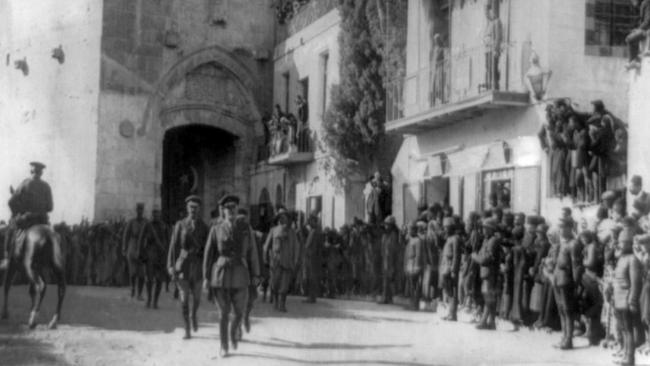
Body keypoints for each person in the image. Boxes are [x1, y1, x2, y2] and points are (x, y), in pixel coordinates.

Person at [203, 195, 260, 357]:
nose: (231, 211)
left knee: (239, 313)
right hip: (221, 275)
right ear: (223, 211)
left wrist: (256, 276)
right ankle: (224, 345)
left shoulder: (245, 228)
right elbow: (209, 254)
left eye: (234, 207)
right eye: (228, 208)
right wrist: (206, 277)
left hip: (241, 274)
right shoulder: (216, 229)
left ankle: (234, 331)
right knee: (223, 314)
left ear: (237, 209)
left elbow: (253, 253)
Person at [167, 195, 209, 340]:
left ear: (199, 209)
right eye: (191, 207)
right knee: (184, 300)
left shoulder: (204, 227)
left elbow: (208, 250)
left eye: (196, 208)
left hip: (197, 267)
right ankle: (187, 329)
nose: (193, 210)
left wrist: (207, 269)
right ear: (187, 208)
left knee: (196, 299)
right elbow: (173, 247)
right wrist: (171, 266)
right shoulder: (180, 225)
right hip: (183, 265)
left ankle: (193, 315)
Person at [1, 162, 53, 270]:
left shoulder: (25, 183)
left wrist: (18, 213)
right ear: (41, 173)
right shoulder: (47, 186)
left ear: (31, 171)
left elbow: (11, 202)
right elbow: (50, 207)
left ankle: (7, 258)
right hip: (43, 221)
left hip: (28, 220)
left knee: (10, 231)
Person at [614, 225, 643, 366]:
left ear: (629, 244)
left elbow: (635, 283)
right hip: (618, 298)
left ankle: (630, 358)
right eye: (620, 242)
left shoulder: (633, 260)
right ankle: (625, 354)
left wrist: (632, 301)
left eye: (623, 242)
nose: (620, 244)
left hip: (626, 299)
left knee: (628, 330)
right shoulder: (621, 258)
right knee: (623, 329)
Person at [263, 208, 299, 312]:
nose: (284, 220)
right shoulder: (273, 230)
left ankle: (282, 304)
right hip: (276, 261)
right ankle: (275, 301)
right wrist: (265, 258)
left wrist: (295, 260)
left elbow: (296, 247)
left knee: (285, 284)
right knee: (275, 283)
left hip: (287, 261)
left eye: (286, 218)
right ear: (279, 219)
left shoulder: (292, 233)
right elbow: (266, 246)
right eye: (282, 217)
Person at [551, 217, 578, 350]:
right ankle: (564, 336)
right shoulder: (562, 243)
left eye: (563, 227)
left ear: (569, 228)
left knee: (568, 311)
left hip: (567, 281)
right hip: (558, 279)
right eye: (559, 227)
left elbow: (575, 266)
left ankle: (569, 339)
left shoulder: (573, 244)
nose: (560, 230)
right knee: (561, 310)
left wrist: (576, 283)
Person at [138, 207, 171, 309]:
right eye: (154, 214)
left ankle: (155, 301)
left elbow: (168, 241)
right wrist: (141, 254)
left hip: (161, 255)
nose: (155, 216)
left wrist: (168, 256)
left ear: (160, 215)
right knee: (149, 279)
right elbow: (141, 239)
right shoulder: (147, 226)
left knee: (160, 280)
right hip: (150, 255)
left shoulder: (164, 226)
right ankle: (149, 299)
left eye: (157, 214)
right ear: (152, 215)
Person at [473, 218, 501, 330]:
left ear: (490, 229)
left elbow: (486, 259)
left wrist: (475, 257)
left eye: (485, 228)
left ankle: (484, 320)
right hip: (485, 272)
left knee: (488, 296)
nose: (483, 230)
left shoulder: (493, 241)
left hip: (490, 273)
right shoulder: (486, 240)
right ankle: (491, 321)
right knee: (489, 297)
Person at [122, 203, 148, 300]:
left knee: (141, 273)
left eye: (141, 210)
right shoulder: (131, 222)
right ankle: (133, 288)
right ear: (136, 211)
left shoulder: (146, 222)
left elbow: (150, 234)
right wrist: (124, 248)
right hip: (132, 247)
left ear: (143, 211)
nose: (139, 211)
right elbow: (126, 235)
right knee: (133, 272)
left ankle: (139, 293)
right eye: (138, 210)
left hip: (142, 249)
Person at [440, 217, 462, 321]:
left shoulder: (455, 239)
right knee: (448, 292)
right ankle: (450, 313)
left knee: (452, 291)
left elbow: (456, 256)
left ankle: (453, 314)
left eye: (446, 228)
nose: (445, 230)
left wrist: (453, 270)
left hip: (450, 268)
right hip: (446, 268)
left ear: (451, 228)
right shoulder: (448, 239)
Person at [303, 213, 324, 303]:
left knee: (312, 277)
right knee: (310, 277)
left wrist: (310, 254)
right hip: (311, 256)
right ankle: (311, 296)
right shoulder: (313, 231)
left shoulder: (316, 232)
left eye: (311, 221)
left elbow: (314, 246)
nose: (309, 223)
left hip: (313, 257)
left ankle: (312, 297)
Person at [378, 216, 400, 304]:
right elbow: (382, 249)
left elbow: (394, 250)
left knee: (390, 279)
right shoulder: (384, 236)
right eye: (386, 225)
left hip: (392, 260)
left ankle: (388, 297)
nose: (386, 227)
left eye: (388, 225)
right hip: (385, 260)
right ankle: (386, 297)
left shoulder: (394, 235)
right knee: (385, 279)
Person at [404, 222, 424, 311]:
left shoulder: (418, 240)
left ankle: (415, 305)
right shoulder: (410, 239)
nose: (409, 231)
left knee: (415, 286)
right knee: (411, 286)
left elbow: (419, 255)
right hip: (409, 263)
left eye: (410, 229)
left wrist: (416, 267)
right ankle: (412, 303)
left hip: (414, 265)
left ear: (414, 230)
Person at [625, 0, 650, 67]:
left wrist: (639, 29)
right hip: (645, 30)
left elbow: (648, 20)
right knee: (632, 36)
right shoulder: (642, 4)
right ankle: (635, 59)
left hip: (647, 31)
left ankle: (633, 60)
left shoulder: (646, 3)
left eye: (632, 1)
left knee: (629, 38)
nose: (632, 2)